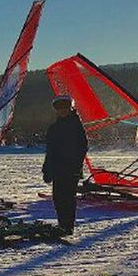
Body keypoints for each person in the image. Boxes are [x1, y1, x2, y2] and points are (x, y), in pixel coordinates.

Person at [42, 95, 88, 235]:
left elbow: (82, 147)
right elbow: (50, 151)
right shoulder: (54, 127)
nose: (62, 111)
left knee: (68, 198)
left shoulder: (75, 125)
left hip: (71, 169)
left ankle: (68, 227)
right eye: (60, 108)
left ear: (70, 108)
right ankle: (62, 225)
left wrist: (77, 167)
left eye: (65, 108)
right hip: (57, 168)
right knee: (58, 198)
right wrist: (46, 169)